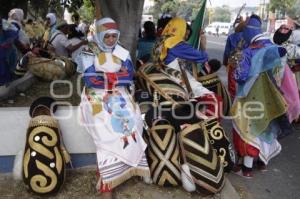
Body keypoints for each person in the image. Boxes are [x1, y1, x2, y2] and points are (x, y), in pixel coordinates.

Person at [79, 17, 150, 199]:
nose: (110, 40)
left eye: (113, 36)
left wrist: (105, 76)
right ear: (100, 35)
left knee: (132, 124)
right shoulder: (89, 51)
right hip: (95, 98)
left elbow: (129, 76)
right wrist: (115, 76)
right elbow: (90, 79)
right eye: (107, 36)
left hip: (119, 95)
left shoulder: (121, 52)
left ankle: (114, 173)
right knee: (105, 133)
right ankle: (106, 183)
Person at [232, 14, 289, 178]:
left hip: (249, 98)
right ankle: (262, 164)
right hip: (271, 98)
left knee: (247, 130)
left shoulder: (249, 52)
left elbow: (240, 76)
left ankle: (246, 170)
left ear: (247, 33)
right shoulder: (276, 49)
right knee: (265, 129)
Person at [223, 17, 248, 100]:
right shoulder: (247, 37)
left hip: (233, 63)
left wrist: (225, 62)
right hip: (245, 63)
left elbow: (227, 52)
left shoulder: (231, 37)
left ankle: (232, 102)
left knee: (232, 85)